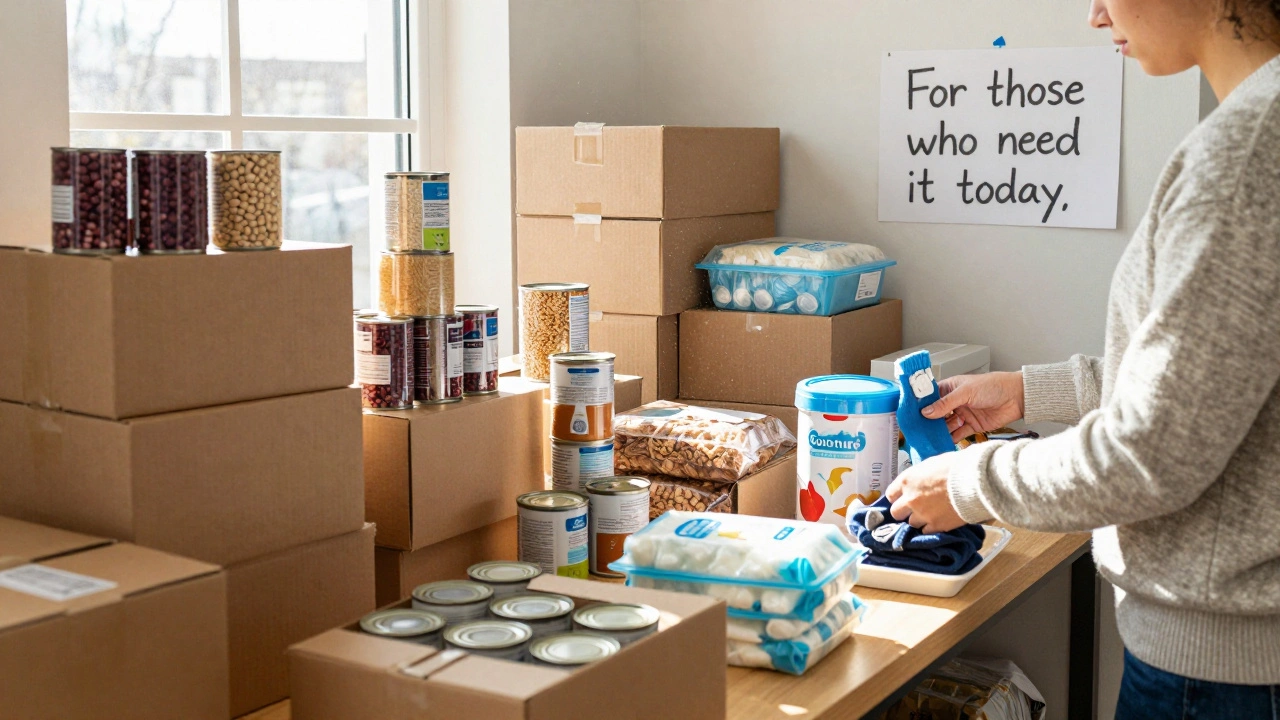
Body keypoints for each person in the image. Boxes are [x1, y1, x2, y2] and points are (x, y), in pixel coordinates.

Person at [884, 1, 1280, 718]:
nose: (1096, 15)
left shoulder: (1248, 151)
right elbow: (1220, 382)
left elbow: (1150, 454)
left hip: (1224, 678)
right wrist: (1028, 393)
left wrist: (970, 482)